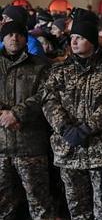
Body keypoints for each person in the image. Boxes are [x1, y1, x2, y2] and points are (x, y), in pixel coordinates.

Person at [43, 21, 102, 219]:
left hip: (100, 150)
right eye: (72, 37)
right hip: (68, 149)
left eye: (80, 38)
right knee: (77, 209)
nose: (74, 42)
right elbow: (48, 100)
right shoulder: (59, 70)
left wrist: (87, 128)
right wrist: (64, 128)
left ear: (91, 41)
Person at [0, 21, 52, 219]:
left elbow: (45, 95)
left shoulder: (40, 65)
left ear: (25, 37)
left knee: (39, 203)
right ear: (3, 38)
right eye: (9, 34)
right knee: (3, 205)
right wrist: (3, 117)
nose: (14, 38)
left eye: (19, 34)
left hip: (30, 145)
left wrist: (17, 113)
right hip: (1, 147)